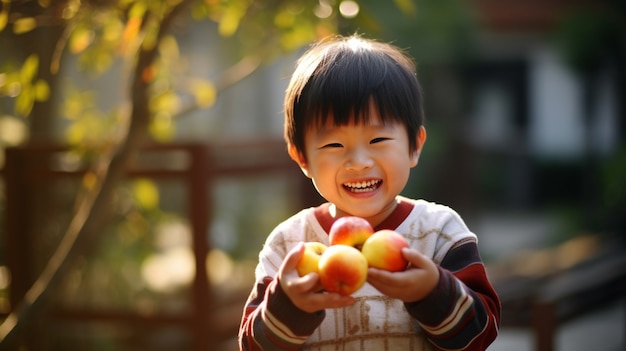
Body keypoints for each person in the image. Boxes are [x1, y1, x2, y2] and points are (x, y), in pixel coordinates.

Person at [238, 34, 501, 351]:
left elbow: (480, 335)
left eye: (378, 141)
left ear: (414, 146)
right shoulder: (290, 246)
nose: (359, 163)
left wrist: (432, 290)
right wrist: (290, 307)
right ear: (302, 158)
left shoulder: (438, 232)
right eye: (334, 145)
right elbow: (253, 346)